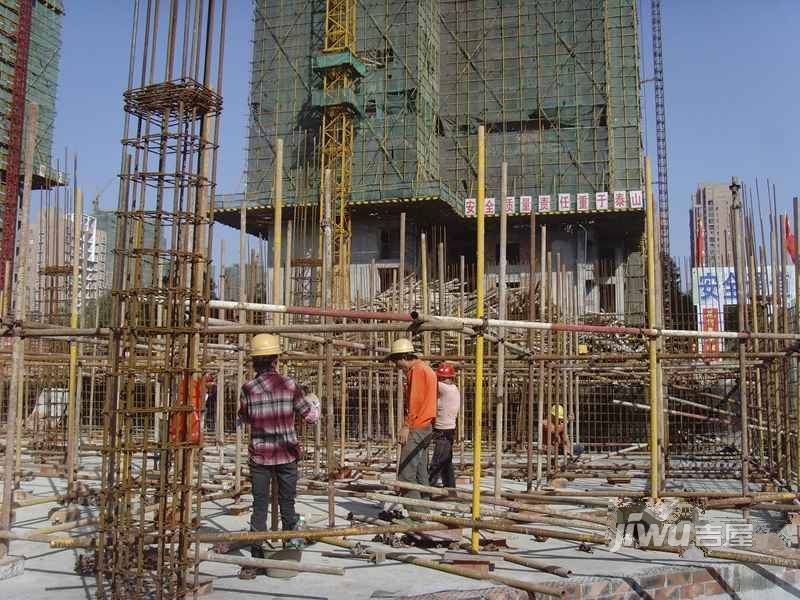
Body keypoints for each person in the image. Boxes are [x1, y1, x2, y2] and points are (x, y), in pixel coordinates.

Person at [238, 333, 320, 579]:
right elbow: (310, 416)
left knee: (260, 505)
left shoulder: (248, 389)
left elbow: (243, 418)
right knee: (287, 503)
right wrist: (314, 404)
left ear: (254, 361)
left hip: (260, 455)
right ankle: (289, 549)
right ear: (275, 359)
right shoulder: (290, 385)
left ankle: (255, 557)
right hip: (286, 454)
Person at [386, 338, 436, 513]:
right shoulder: (427, 370)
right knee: (420, 471)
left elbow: (415, 402)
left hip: (417, 427)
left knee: (406, 474)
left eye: (396, 360)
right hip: (426, 426)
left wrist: (406, 425)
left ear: (405, 356)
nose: (396, 365)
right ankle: (426, 508)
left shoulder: (417, 371)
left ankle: (417, 514)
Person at [428, 363, 460, 489]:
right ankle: (450, 487)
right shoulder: (451, 388)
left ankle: (428, 489)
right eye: (440, 378)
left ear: (451, 378)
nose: (441, 380)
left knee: (437, 462)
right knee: (446, 461)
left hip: (444, 431)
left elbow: (429, 382)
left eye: (443, 378)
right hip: (446, 430)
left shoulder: (446, 389)